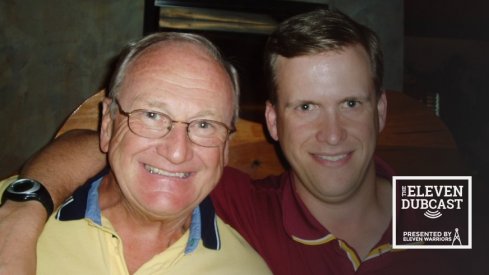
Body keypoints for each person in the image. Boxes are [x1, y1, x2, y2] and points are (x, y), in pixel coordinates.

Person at [0, 9, 465, 275]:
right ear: (271, 122)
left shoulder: (442, 212)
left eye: (350, 104)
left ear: (380, 111)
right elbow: (117, 148)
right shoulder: (244, 205)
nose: (331, 133)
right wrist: (24, 209)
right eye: (304, 107)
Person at [0, 32, 271, 274]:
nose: (177, 152)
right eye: (152, 115)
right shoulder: (9, 218)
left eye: (204, 125)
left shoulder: (246, 269)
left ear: (226, 147)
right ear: (107, 125)